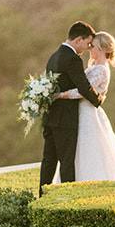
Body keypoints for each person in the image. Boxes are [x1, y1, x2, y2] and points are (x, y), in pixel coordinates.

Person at [53, 31, 115, 184]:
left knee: (89, 149)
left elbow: (83, 91)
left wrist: (61, 95)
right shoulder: (95, 66)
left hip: (88, 114)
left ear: (102, 49)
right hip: (82, 112)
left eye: (92, 46)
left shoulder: (101, 70)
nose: (90, 49)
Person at [39, 21, 103, 193]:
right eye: (87, 43)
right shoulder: (72, 59)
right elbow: (84, 87)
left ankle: (42, 197)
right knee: (67, 161)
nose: (88, 48)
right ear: (78, 40)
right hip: (65, 119)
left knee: (49, 160)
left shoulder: (54, 56)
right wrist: (98, 100)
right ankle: (68, 199)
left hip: (50, 116)